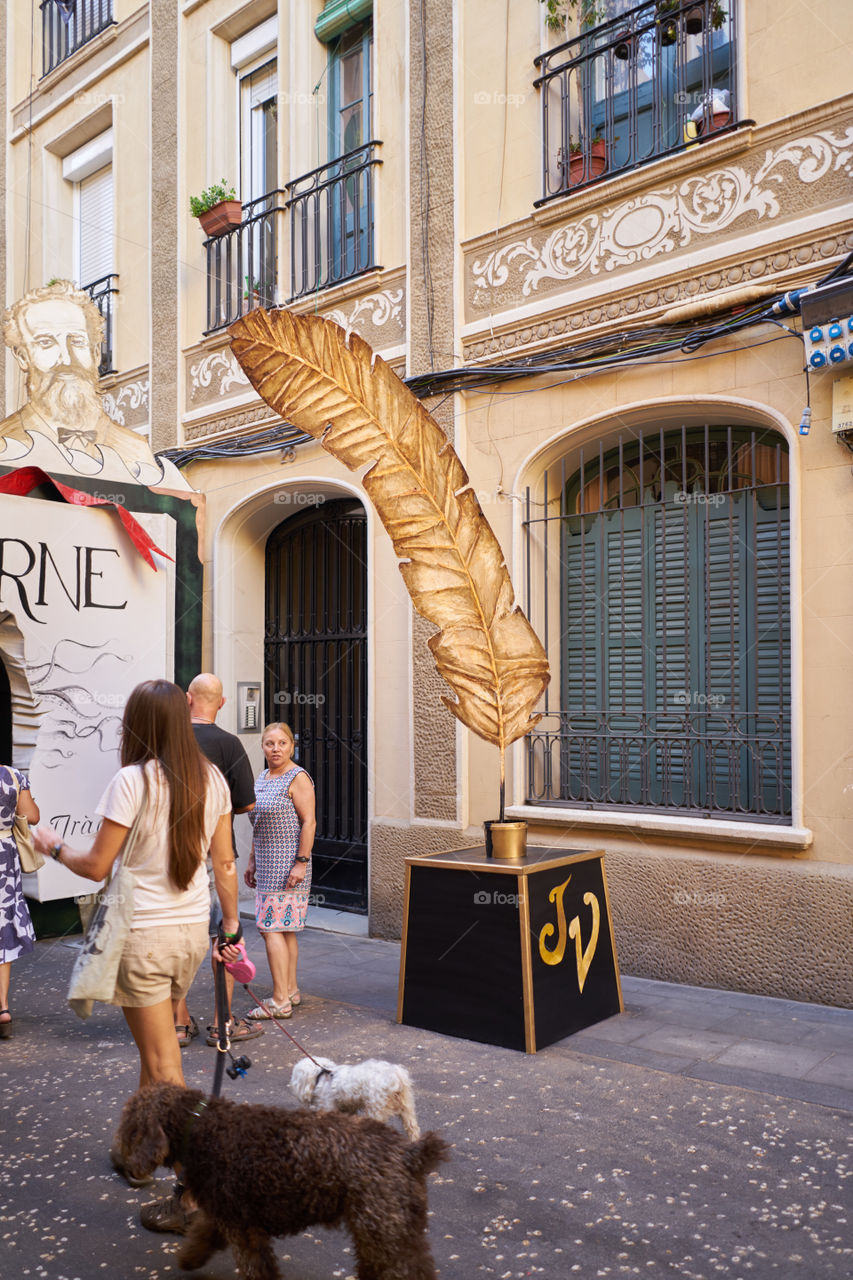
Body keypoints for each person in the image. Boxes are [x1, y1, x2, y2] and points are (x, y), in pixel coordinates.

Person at [32, 679, 242, 1235]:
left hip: (143, 936)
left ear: (138, 725)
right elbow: (224, 865)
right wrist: (233, 924)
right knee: (153, 1057)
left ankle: (197, 1193)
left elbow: (97, 865)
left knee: (167, 1069)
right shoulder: (212, 778)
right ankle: (138, 1153)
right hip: (190, 934)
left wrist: (50, 843)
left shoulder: (131, 781)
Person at [172, 672, 261, 1049]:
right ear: (222, 704)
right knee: (223, 936)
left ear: (188, 699)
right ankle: (222, 1024)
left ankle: (178, 1023)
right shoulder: (230, 744)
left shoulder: (168, 741)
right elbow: (246, 804)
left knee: (177, 937)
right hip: (214, 853)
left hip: (173, 854)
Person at [0, 280, 164, 483]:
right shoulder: (4, 444)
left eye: (77, 341)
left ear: (95, 353)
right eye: (46, 342)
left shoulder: (136, 449)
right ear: (23, 356)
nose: (67, 360)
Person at [245, 722, 316, 1020]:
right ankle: (290, 990)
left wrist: (301, 862)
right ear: (262, 746)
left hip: (288, 863)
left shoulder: (298, 777)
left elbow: (309, 822)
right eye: (270, 743)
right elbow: (259, 823)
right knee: (284, 931)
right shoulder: (262, 776)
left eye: (282, 743)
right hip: (265, 859)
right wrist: (251, 860)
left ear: (292, 746)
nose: (276, 749)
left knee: (269, 927)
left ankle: (279, 1001)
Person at [0, 764, 41, 1039]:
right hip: (4, 857)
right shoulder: (12, 775)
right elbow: (33, 816)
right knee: (3, 929)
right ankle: (2, 1008)